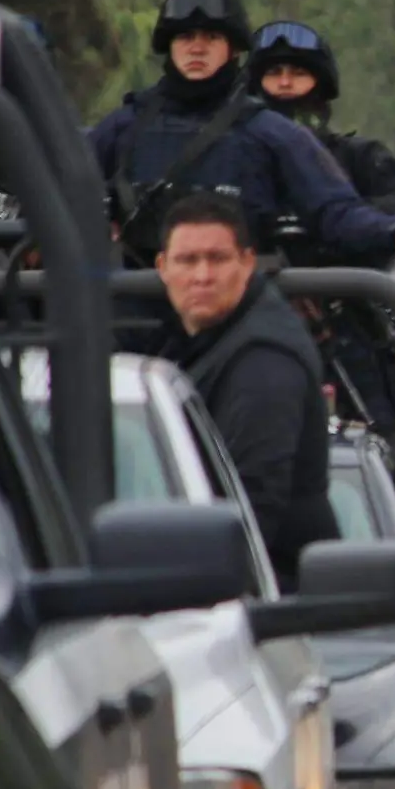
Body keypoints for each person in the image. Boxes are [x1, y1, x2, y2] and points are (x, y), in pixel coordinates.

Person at [87, 0, 395, 285]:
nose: (197, 48)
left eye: (211, 37)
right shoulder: (123, 128)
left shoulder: (272, 133)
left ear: (233, 49)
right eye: (186, 36)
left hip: (244, 306)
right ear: (170, 45)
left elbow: (336, 211)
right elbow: (57, 192)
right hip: (141, 300)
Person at [152, 191, 337, 590]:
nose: (202, 276)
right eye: (187, 260)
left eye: (217, 259)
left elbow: (252, 503)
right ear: (163, 267)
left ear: (247, 263)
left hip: (267, 605)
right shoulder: (201, 343)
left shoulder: (264, 360)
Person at [247, 20, 395, 236]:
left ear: (320, 84)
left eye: (298, 73)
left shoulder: (357, 156)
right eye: (274, 72)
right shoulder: (237, 156)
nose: (285, 82)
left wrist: (346, 216)